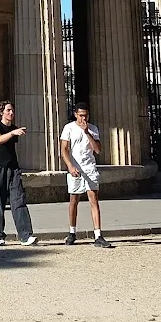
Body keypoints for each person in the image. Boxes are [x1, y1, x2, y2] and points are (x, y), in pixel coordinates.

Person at [60, 103, 112, 247]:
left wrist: (87, 132)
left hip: (89, 167)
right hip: (75, 168)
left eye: (86, 115)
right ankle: (72, 231)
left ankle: (98, 234)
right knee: (74, 199)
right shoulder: (68, 128)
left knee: (94, 199)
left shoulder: (93, 128)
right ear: (75, 114)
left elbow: (98, 149)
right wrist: (70, 166)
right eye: (81, 115)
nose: (84, 118)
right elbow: (64, 149)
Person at [0, 101, 36, 246]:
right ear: (1, 112)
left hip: (13, 167)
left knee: (19, 200)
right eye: (8, 110)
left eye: (12, 110)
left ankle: (25, 235)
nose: (11, 113)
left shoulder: (14, 129)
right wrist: (12, 133)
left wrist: (14, 132)